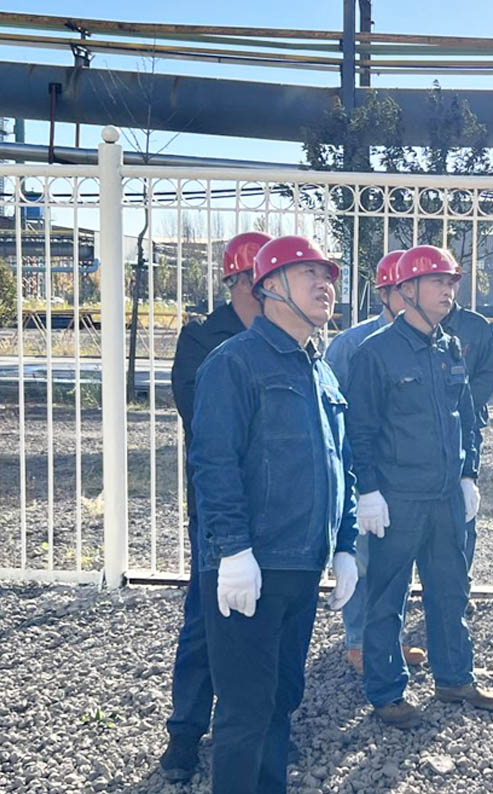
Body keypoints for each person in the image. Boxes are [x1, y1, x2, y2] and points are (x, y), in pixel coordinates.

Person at [188, 235, 360, 793]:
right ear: (268, 286)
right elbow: (214, 463)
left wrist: (345, 545)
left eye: (327, 275)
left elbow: (342, 464)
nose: (324, 284)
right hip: (252, 566)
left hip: (301, 565)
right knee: (245, 710)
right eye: (308, 273)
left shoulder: (321, 370)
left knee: (282, 700)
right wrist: (233, 551)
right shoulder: (233, 363)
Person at [346, 244, 493, 727]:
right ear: (407, 289)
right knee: (386, 598)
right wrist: (367, 490)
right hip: (399, 498)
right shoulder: (376, 353)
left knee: (451, 590)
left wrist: (468, 474)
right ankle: (387, 692)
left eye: (451, 281)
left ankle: (455, 677)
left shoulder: (449, 347)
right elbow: (359, 429)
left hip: (444, 497)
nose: (448, 290)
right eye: (438, 281)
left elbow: (466, 419)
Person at [160, 230, 268, 782]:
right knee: (206, 618)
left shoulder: (291, 341)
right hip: (220, 506)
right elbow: (208, 421)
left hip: (278, 505)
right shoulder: (203, 339)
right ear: (245, 281)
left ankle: (261, 732)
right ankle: (184, 734)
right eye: (271, 276)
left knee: (268, 620)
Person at [326, 250, 427, 675]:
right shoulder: (351, 345)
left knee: (396, 563)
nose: (410, 298)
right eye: (401, 290)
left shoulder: (424, 341)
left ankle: (388, 638)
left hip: (402, 474)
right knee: (363, 558)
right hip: (362, 470)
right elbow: (334, 412)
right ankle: (357, 642)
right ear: (385, 294)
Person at [440, 289, 493, 571]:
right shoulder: (410, 326)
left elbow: (488, 374)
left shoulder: (476, 327)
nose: (444, 288)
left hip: (465, 431)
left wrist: (460, 407)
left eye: (448, 281)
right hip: (416, 432)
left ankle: (458, 581)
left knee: (462, 509)